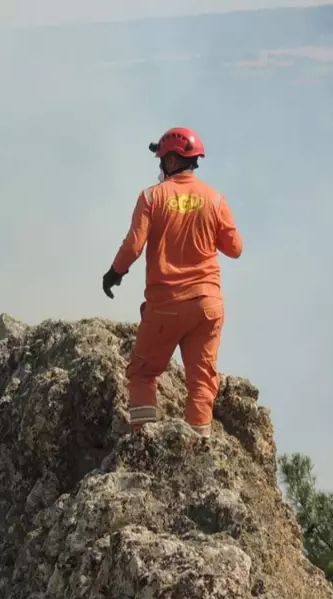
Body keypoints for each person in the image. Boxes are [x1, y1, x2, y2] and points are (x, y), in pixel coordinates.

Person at [101, 127, 243, 437]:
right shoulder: (215, 199)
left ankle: (144, 441)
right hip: (207, 305)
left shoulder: (152, 196)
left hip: (166, 305)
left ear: (171, 161)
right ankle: (200, 448)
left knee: (142, 373)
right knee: (201, 381)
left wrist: (115, 273)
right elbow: (235, 249)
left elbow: (133, 246)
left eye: (162, 159)